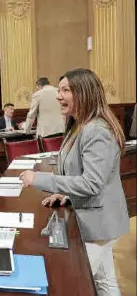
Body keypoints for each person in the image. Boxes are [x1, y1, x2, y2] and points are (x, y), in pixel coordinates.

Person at [19, 68, 129, 296]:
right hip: (97, 219)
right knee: (104, 281)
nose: (59, 96)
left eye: (65, 90)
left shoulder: (96, 129)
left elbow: (92, 183)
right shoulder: (79, 125)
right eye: (59, 90)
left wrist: (39, 179)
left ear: (84, 93)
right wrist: (66, 194)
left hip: (98, 223)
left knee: (73, 285)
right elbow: (84, 175)